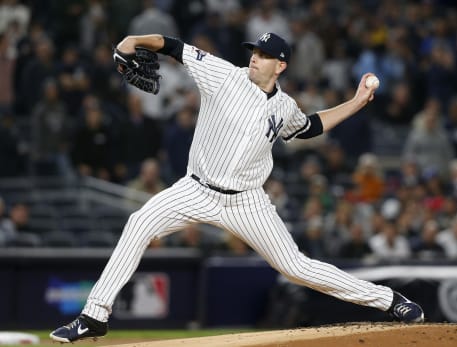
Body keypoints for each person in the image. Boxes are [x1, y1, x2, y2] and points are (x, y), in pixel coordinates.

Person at [50, 32, 424, 343]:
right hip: (195, 190)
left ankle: (389, 300)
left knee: (296, 267)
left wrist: (357, 102)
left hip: (247, 202)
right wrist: (134, 40)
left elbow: (310, 126)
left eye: (264, 55)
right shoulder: (224, 75)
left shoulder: (284, 107)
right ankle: (94, 315)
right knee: (139, 223)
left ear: (281, 66)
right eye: (254, 52)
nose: (255, 59)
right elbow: (173, 46)